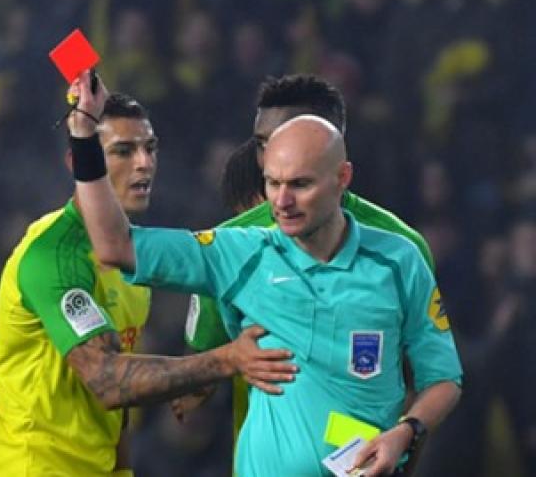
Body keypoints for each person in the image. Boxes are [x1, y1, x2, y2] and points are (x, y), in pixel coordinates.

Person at [70, 71, 463, 476]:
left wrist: (406, 432)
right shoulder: (241, 250)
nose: (282, 201)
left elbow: (443, 378)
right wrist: (84, 138)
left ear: (342, 178)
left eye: (300, 184)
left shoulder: (399, 259)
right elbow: (116, 245)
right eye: (273, 183)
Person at [0, 93, 292, 477]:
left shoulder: (131, 260)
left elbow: (118, 401)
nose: (144, 163)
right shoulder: (53, 256)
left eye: (149, 148)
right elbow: (107, 380)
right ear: (81, 162)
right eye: (123, 151)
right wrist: (225, 360)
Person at [180, 74, 437, 447]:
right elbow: (196, 379)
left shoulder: (402, 250)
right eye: (262, 144)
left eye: (284, 139)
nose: (272, 157)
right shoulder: (228, 246)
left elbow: (423, 384)